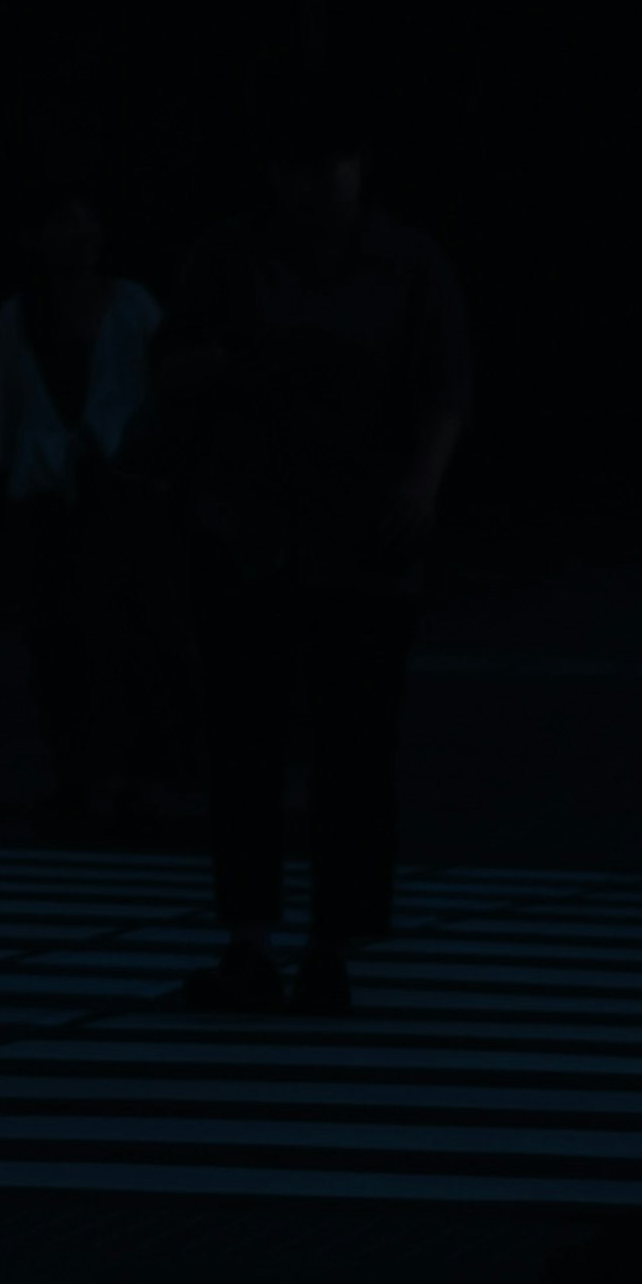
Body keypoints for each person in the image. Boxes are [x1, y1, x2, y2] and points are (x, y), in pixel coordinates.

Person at [152, 105, 471, 1015]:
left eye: (329, 166)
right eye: (300, 168)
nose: (314, 186)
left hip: (359, 533)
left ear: (358, 169)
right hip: (253, 525)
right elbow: (173, 364)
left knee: (352, 749)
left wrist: (420, 487)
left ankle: (329, 942)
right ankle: (258, 937)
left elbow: (447, 389)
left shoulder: (404, 266)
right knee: (253, 741)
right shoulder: (234, 257)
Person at [0, 191, 161, 827]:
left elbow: (158, 400)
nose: (76, 239)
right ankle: (78, 774)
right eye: (61, 224)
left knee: (122, 639)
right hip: (48, 498)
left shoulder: (133, 308)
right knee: (60, 644)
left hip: (119, 493)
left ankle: (124, 772)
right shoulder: (19, 318)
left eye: (85, 223)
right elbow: (3, 415)